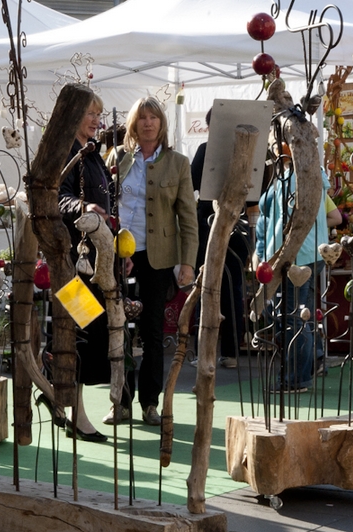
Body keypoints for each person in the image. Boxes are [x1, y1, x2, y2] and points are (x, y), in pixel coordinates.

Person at [107, 98, 196, 425]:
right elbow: (109, 204)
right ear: (134, 123)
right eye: (141, 117)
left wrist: (188, 261)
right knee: (119, 329)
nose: (147, 123)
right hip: (121, 256)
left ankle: (149, 403)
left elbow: (188, 218)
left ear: (161, 123)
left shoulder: (178, 163)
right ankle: (121, 401)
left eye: (153, 117)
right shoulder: (119, 158)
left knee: (153, 331)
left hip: (159, 259)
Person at [255, 145, 344, 390]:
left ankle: (297, 378)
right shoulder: (299, 175)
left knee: (292, 318)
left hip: (296, 254)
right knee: (297, 315)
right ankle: (310, 362)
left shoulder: (296, 177)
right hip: (301, 253)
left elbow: (288, 218)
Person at [54, 96, 111, 441]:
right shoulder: (65, 151)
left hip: (92, 258)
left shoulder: (89, 150)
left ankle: (69, 406)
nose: (94, 119)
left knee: (88, 332)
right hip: (70, 261)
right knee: (78, 333)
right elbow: (52, 196)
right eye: (90, 112)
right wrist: (82, 206)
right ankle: (75, 412)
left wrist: (113, 243)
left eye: (97, 114)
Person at [189, 109, 257, 369]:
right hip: (214, 228)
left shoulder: (213, 151)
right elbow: (193, 185)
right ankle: (214, 352)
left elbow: (252, 196)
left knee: (219, 288)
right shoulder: (206, 151)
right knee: (212, 287)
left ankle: (218, 352)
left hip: (228, 230)